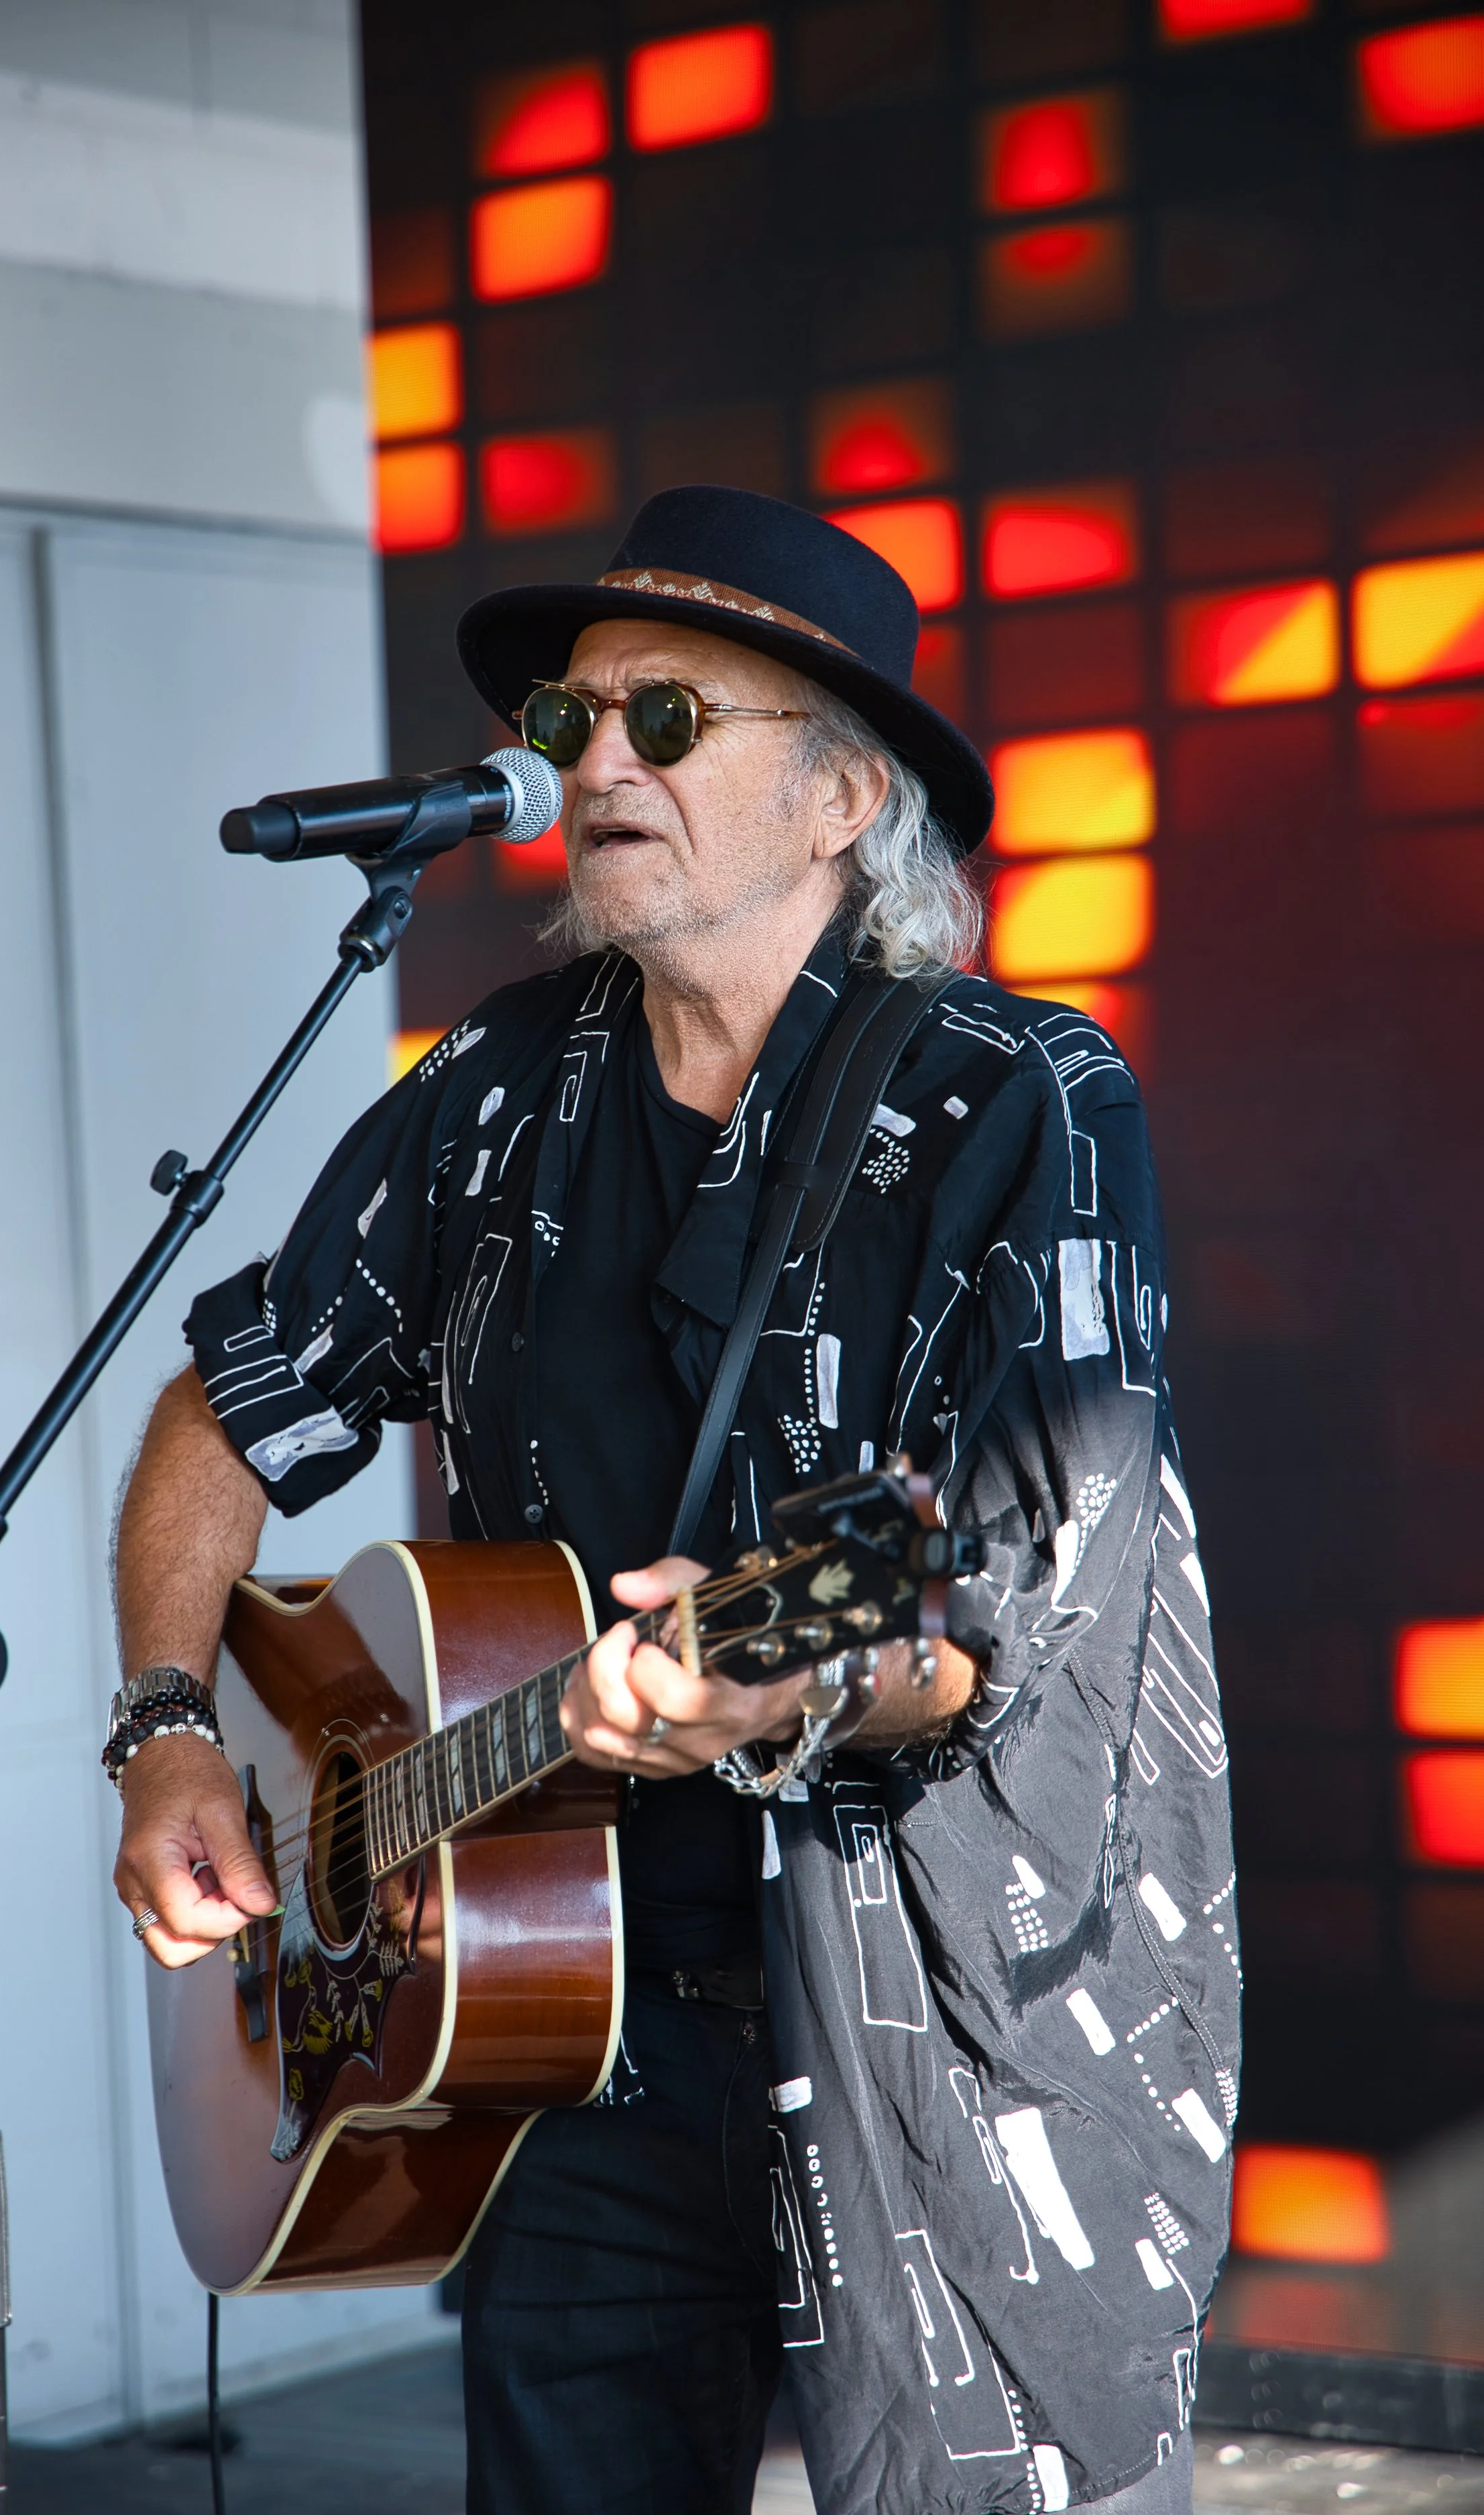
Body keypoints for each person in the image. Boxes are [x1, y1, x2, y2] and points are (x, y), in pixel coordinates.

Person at [110, 487, 1237, 2515]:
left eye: (668, 717)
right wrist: (172, 1730)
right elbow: (226, 1409)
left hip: (935, 2038)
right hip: (557, 2051)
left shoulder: (1018, 1102)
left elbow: (997, 1607)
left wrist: (770, 1681)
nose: (595, 761)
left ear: (837, 797)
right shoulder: (489, 1089)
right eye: (574, 720)